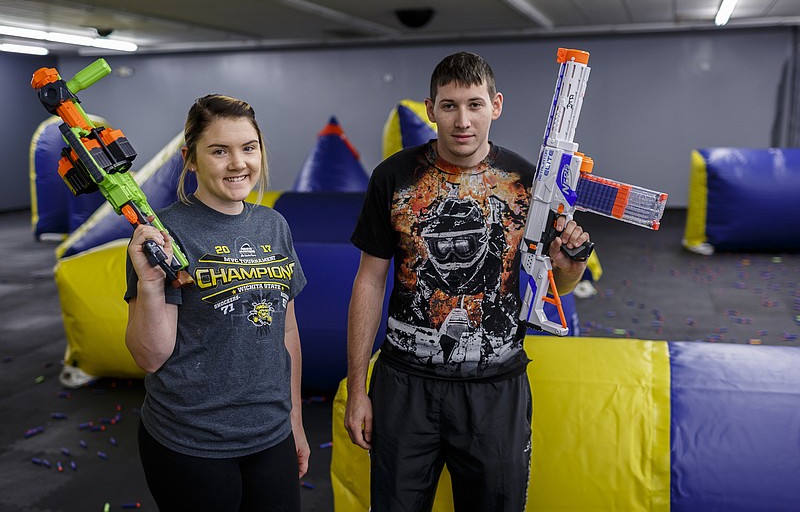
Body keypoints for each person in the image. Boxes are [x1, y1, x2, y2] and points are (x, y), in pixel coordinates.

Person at [344, 52, 590, 511]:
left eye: (474, 105)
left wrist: (569, 263)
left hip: (495, 388)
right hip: (405, 384)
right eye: (450, 105)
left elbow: (557, 285)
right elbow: (368, 282)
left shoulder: (527, 182)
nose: (463, 120)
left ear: (496, 105)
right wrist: (357, 389)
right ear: (429, 108)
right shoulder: (394, 178)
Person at [125, 94, 309, 512]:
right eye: (219, 150)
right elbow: (149, 357)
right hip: (191, 441)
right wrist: (152, 284)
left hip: (271, 433)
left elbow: (287, 330)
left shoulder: (273, 225)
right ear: (190, 158)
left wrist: (295, 421)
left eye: (248, 148)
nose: (237, 163)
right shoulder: (163, 234)